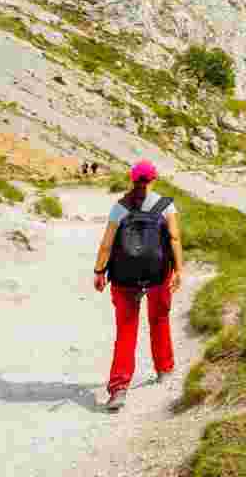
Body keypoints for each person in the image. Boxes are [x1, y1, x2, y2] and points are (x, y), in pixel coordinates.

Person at [90, 160, 184, 412]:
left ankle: (119, 388)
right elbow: (174, 239)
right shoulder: (166, 205)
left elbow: (106, 245)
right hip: (158, 275)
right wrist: (179, 270)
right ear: (153, 179)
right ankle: (164, 369)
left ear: (132, 179)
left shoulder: (120, 207)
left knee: (126, 330)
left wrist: (99, 271)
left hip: (124, 278)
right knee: (159, 319)